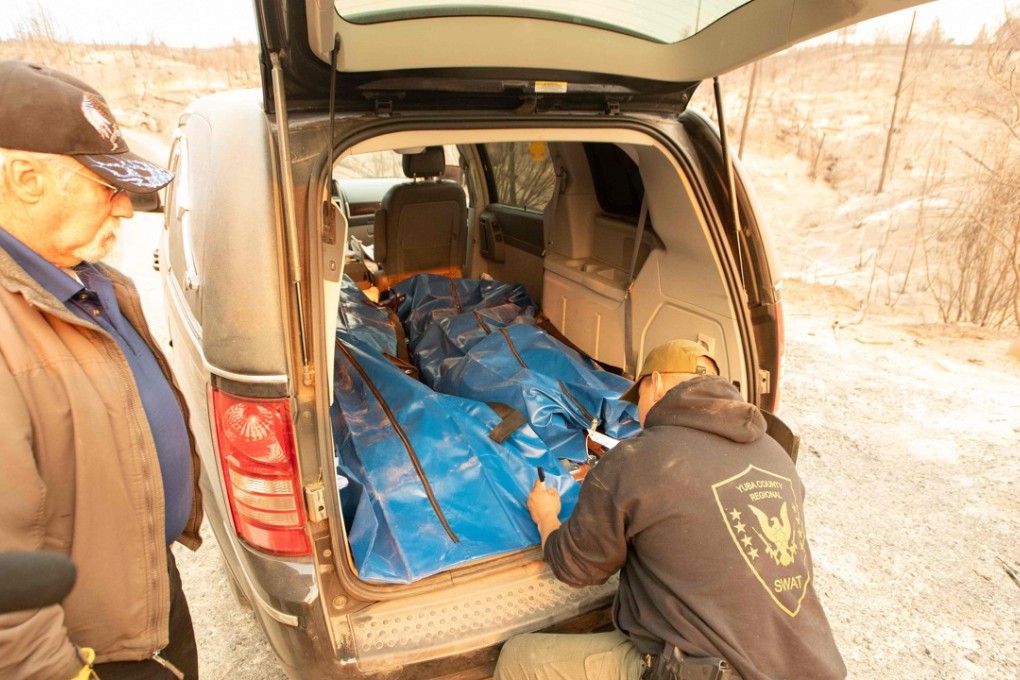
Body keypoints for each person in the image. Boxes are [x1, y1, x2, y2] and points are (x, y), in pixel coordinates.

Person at [0, 61, 203, 679]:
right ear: (26, 178)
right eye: (104, 185)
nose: (125, 207)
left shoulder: (86, 279)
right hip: (86, 649)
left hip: (142, 589)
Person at [495, 339, 846, 680]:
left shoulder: (636, 460)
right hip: (813, 665)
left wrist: (545, 516)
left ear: (657, 381)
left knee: (520, 657)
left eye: (640, 396)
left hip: (701, 671)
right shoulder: (773, 451)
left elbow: (574, 567)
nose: (637, 410)